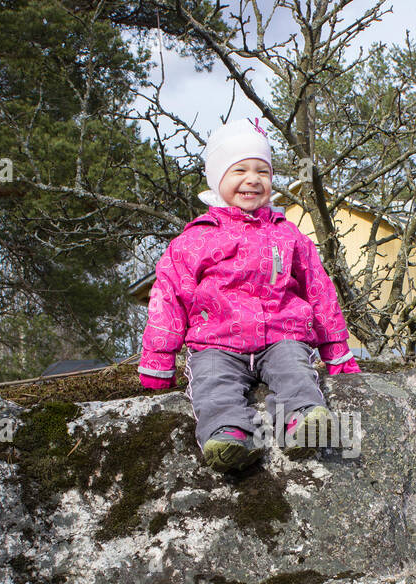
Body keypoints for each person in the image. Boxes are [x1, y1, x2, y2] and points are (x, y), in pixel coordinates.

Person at [139, 117, 360, 472]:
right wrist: (158, 358)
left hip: (281, 337)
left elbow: (319, 290)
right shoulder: (197, 239)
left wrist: (335, 351)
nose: (253, 179)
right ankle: (228, 436)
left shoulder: (287, 235)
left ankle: (303, 420)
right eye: (239, 169)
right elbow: (169, 298)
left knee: (296, 373)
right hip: (216, 342)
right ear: (217, 179)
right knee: (213, 386)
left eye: (263, 171)